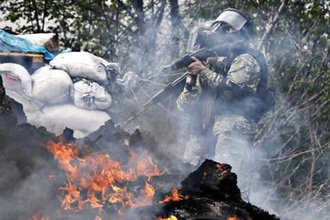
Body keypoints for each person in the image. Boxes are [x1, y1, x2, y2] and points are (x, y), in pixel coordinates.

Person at [176, 8, 271, 166]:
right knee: (185, 185)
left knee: (221, 182)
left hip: (231, 130)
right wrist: (191, 81)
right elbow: (183, 107)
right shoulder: (212, 68)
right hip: (203, 133)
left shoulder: (246, 60)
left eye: (230, 29)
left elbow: (232, 90)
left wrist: (204, 70)